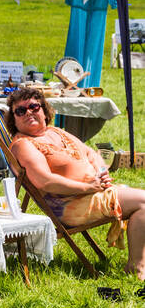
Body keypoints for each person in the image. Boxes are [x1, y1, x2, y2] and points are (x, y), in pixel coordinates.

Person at [7, 87, 145, 280]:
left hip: (92, 192)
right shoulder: (23, 145)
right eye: (20, 111)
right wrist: (88, 187)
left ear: (44, 111)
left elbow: (89, 152)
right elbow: (45, 181)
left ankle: (139, 263)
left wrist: (101, 173)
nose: (28, 112)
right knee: (143, 202)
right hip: (70, 204)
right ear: (14, 119)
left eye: (33, 106)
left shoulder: (55, 131)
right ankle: (136, 268)